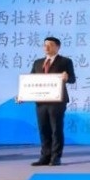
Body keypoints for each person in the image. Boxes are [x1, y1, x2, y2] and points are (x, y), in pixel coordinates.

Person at [28, 36, 77, 166]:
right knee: (43, 129)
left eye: (50, 45)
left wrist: (66, 78)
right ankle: (45, 156)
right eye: (45, 45)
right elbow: (30, 81)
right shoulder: (38, 62)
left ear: (57, 47)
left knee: (56, 129)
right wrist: (23, 95)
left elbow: (72, 79)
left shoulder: (65, 61)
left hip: (57, 101)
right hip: (41, 101)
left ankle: (55, 157)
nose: (47, 47)